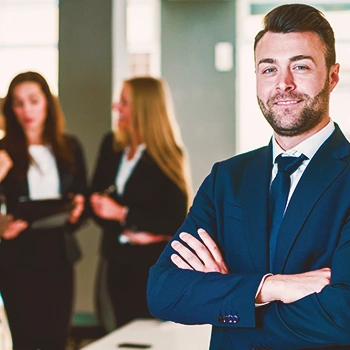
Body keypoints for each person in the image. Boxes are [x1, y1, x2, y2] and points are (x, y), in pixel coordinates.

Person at [147, 4, 350, 349]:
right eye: (268, 69)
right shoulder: (226, 178)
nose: (283, 84)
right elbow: (163, 291)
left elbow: (343, 316)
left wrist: (230, 297)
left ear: (332, 76)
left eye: (300, 66)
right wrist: (270, 287)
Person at [90, 76, 191, 328]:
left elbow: (176, 220)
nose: (116, 107)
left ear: (143, 109)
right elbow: (96, 203)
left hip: (151, 266)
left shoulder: (168, 156)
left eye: (124, 102)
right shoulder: (111, 146)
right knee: (113, 331)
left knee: (147, 333)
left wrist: (123, 214)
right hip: (113, 260)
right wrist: (131, 224)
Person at [0, 71, 87, 350]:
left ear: (48, 103)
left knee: (55, 338)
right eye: (18, 103)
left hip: (58, 255)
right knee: (24, 340)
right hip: (17, 257)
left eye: (33, 100)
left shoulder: (69, 147)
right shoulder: (3, 151)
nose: (26, 110)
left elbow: (82, 200)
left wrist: (77, 213)